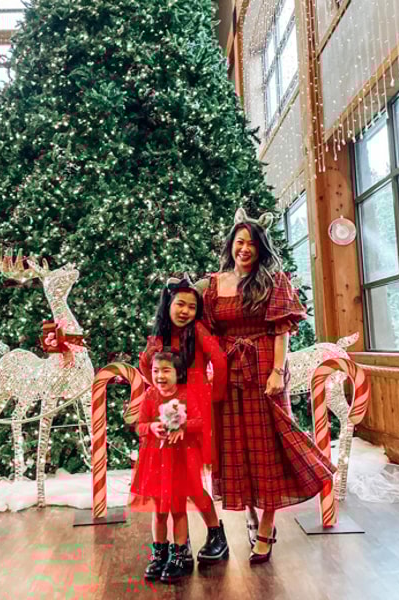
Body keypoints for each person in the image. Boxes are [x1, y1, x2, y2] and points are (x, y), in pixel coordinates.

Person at [202, 207, 337, 564]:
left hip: (263, 366)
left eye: (252, 244)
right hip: (229, 369)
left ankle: (266, 527)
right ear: (231, 244)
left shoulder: (274, 280)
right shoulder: (214, 284)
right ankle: (248, 513)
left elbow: (281, 330)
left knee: (268, 446)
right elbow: (208, 331)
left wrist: (277, 371)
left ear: (261, 249)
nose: (244, 249)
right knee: (236, 445)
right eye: (239, 242)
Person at [138, 275, 228, 564]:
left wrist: (215, 397)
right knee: (170, 479)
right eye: (180, 304)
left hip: (194, 410)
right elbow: (147, 367)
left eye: (192, 306)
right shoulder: (161, 334)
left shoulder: (198, 330)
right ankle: (180, 544)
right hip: (166, 410)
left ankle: (216, 533)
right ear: (168, 304)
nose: (185, 311)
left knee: (190, 478)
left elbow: (220, 360)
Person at [130, 351, 211, 583]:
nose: (160, 376)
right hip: (155, 461)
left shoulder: (186, 395)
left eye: (166, 371)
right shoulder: (150, 396)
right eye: (156, 371)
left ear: (178, 373)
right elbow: (140, 425)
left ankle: (178, 554)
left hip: (179, 462)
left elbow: (200, 421)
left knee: (178, 510)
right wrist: (151, 428)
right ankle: (159, 554)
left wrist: (182, 426)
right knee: (159, 511)